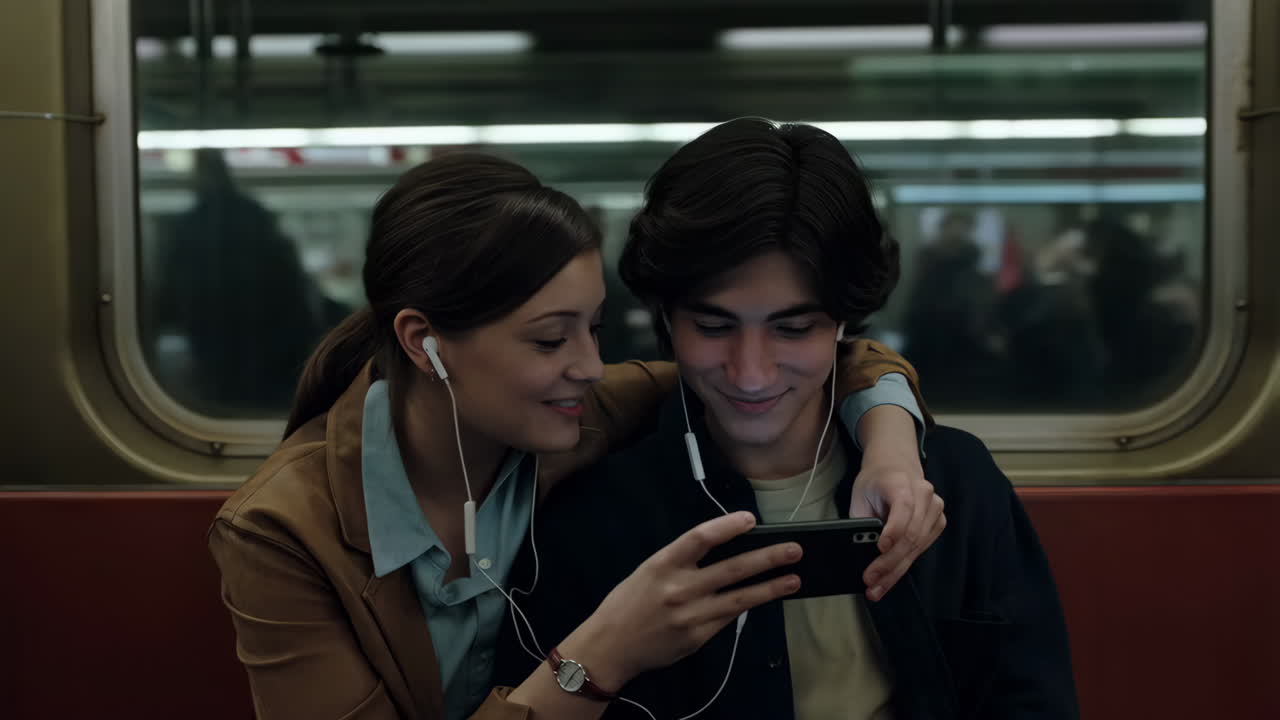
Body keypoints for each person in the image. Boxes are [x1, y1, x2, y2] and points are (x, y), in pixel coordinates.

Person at [208, 151, 945, 720]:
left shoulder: (576, 416)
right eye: (549, 340)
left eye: (594, 329)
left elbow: (817, 363)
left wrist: (891, 447)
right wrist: (600, 656)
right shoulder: (283, 530)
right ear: (422, 343)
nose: (591, 368)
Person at [494, 119, 1077, 719]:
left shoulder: (952, 483)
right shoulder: (594, 516)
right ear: (665, 317)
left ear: (843, 322)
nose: (751, 374)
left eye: (794, 329)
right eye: (713, 327)